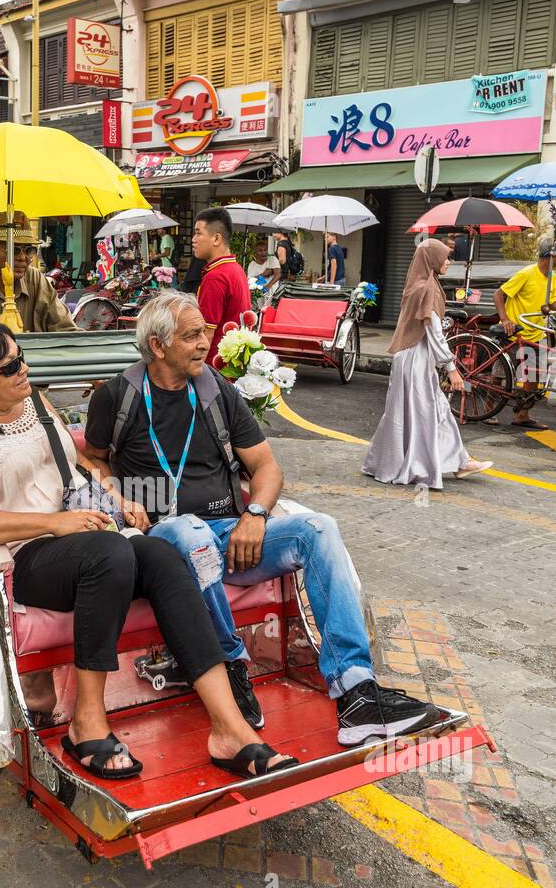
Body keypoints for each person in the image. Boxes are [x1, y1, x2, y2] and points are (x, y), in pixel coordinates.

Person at [0, 325, 297, 780]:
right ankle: (86, 722)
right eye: (9, 367)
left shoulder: (36, 404)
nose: (24, 369)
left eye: (21, 356)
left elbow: (77, 462)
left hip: (87, 535)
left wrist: (116, 494)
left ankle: (230, 729)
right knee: (110, 553)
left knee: (163, 555)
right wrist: (51, 523)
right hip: (26, 555)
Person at [84, 290, 441, 748]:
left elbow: (267, 467)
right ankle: (230, 667)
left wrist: (254, 513)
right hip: (163, 544)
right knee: (187, 530)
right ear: (158, 345)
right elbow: (93, 459)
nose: (204, 344)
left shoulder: (216, 391)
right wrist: (116, 495)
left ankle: (357, 692)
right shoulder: (117, 397)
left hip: (232, 536)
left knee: (318, 528)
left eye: (206, 333)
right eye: (193, 336)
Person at [363, 240, 492, 489]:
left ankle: (457, 461)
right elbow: (433, 332)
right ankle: (441, 463)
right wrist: (451, 369)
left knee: (422, 411)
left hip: (411, 358)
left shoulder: (419, 283)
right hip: (416, 359)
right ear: (432, 259)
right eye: (445, 257)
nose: (448, 262)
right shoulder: (426, 289)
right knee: (426, 412)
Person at [494, 235, 554, 429]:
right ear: (550, 256)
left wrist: (550, 307)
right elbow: (499, 294)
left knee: (533, 377)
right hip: (515, 332)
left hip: (536, 332)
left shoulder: (553, 278)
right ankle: (489, 410)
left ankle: (522, 415)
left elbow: (551, 303)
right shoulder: (527, 273)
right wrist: (505, 320)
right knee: (499, 375)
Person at [192, 207, 251, 337]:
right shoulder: (235, 268)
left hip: (215, 355)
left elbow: (206, 332)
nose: (193, 239)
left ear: (216, 239)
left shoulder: (216, 276)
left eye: (198, 233)